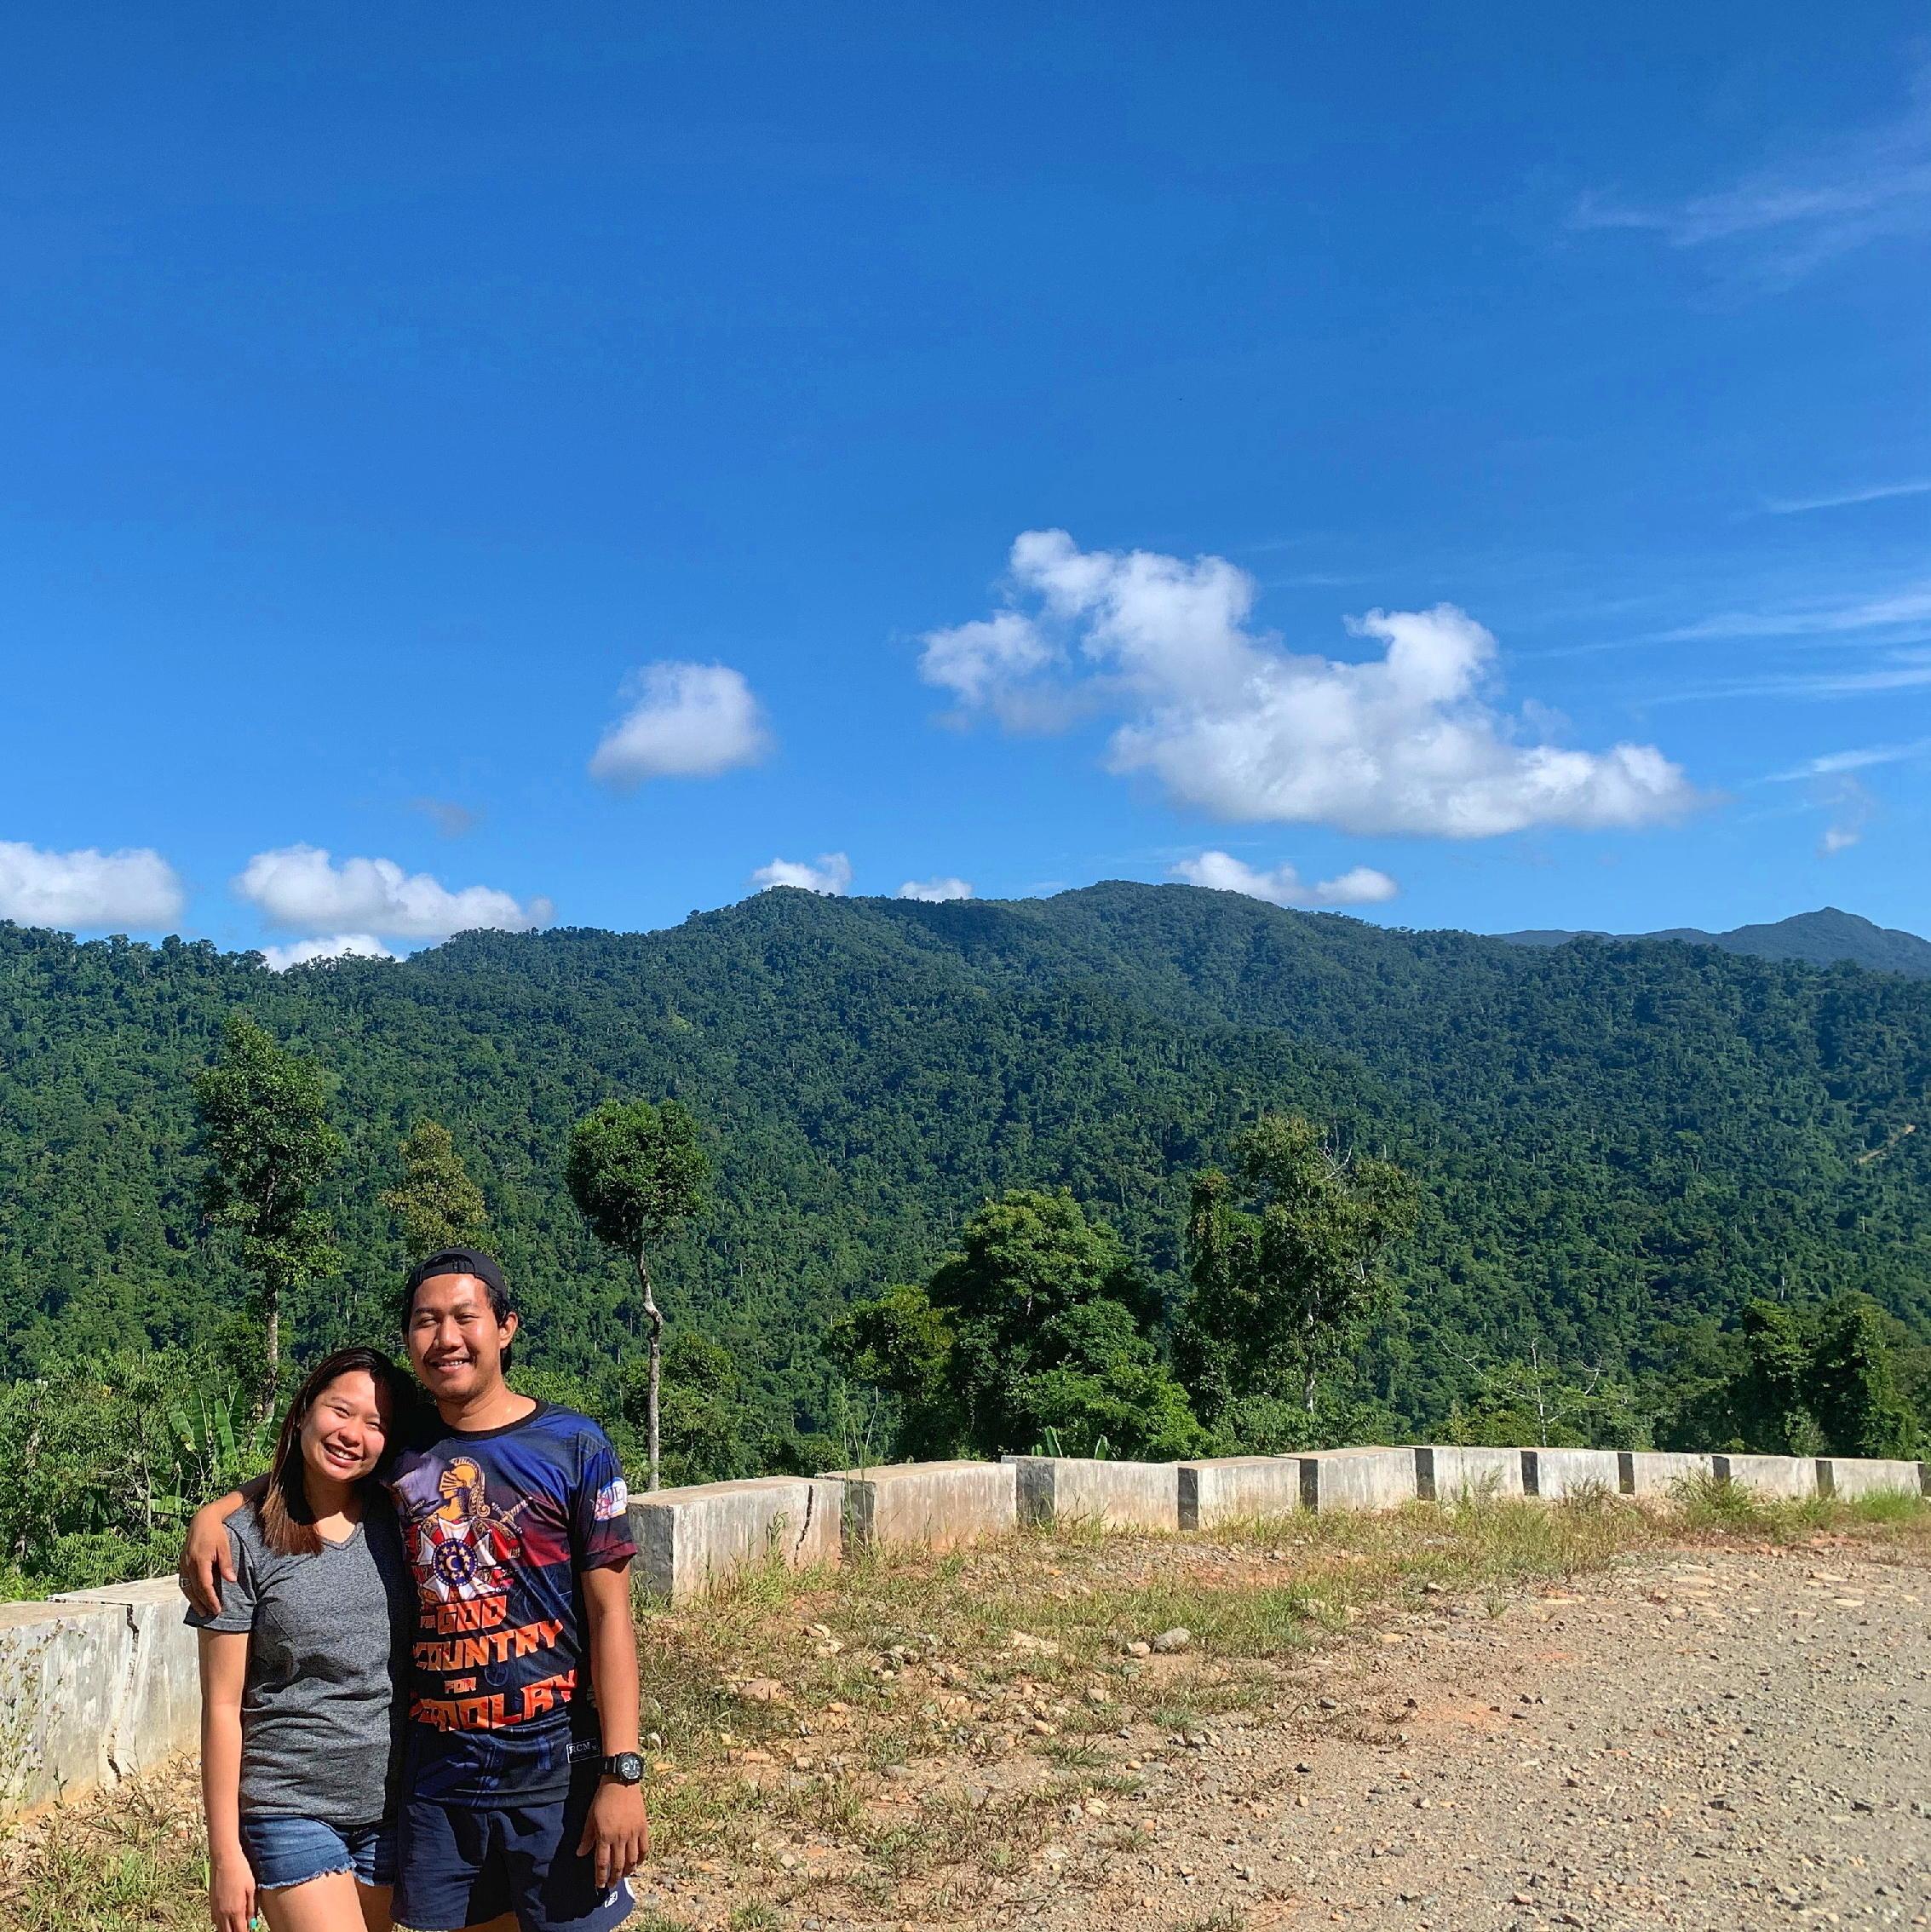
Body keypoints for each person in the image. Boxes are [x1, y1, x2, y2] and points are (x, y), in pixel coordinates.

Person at [184, 1249, 648, 1932]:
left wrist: (623, 1771)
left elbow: (612, 1616)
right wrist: (214, 1512)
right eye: (426, 1321)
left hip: (555, 1761)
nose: (446, 1338)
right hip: (441, 1776)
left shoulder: (573, 1446)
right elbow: (318, 1461)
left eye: (465, 1317)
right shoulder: (406, 1448)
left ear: (506, 1327)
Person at [189, 1345, 417, 1932]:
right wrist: (225, 1855)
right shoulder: (240, 1543)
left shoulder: (401, 1522)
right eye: (339, 1411)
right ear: (303, 1413)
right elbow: (220, 1707)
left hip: (389, 1808)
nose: (352, 1435)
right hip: (287, 1805)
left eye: (376, 1425)